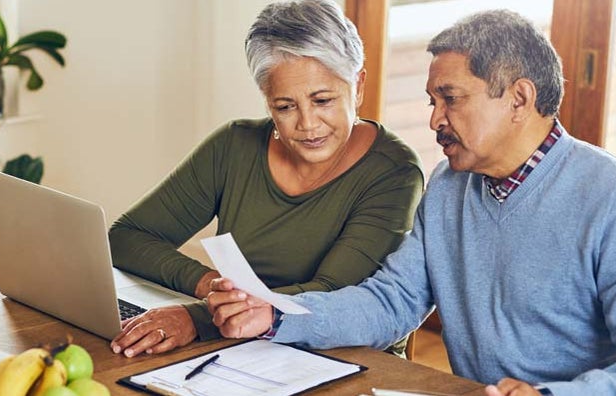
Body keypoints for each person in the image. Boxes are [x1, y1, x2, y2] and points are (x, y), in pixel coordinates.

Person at [207, 9, 616, 396]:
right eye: (431, 101)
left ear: (519, 98)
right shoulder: (448, 185)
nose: (434, 120)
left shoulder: (615, 202)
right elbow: (392, 301)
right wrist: (276, 316)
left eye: (451, 99)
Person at [107, 0, 424, 358]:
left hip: (344, 359)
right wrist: (212, 287)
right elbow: (126, 238)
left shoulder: (393, 172)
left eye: (322, 100)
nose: (307, 124)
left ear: (358, 85)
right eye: (285, 106)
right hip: (240, 350)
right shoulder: (234, 146)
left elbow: (334, 294)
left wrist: (199, 318)